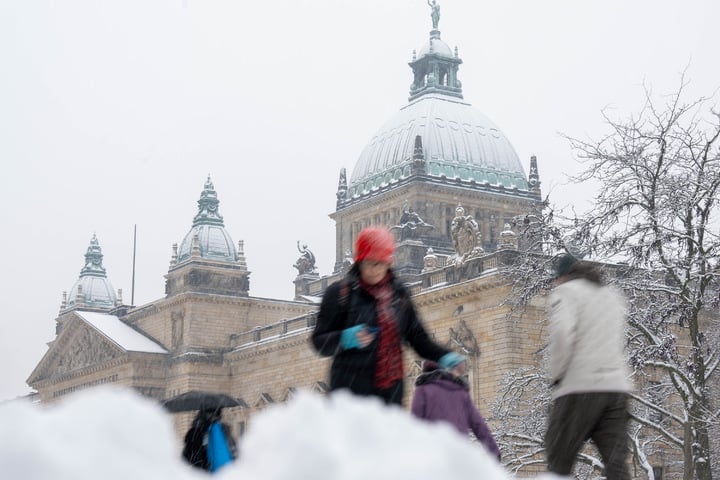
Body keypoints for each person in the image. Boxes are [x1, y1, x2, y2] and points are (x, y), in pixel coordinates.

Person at [311, 226, 465, 405]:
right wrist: (346, 338)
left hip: (390, 396)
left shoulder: (399, 295)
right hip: (349, 398)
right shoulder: (340, 293)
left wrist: (445, 356)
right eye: (370, 262)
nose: (375, 269)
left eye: (380, 262)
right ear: (359, 262)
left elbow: (418, 338)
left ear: (388, 262)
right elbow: (318, 341)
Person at [544, 254, 633, 479]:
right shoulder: (613, 296)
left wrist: (557, 375)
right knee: (617, 464)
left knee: (559, 460)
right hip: (616, 390)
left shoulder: (566, 292)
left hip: (579, 386)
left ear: (563, 276)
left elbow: (563, 334)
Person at [411, 359, 501, 461]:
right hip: (459, 451)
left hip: (433, 452)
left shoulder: (422, 390)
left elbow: (415, 423)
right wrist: (494, 451)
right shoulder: (461, 393)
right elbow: (478, 424)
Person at [182, 408, 238, 472]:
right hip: (215, 470)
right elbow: (233, 452)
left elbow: (186, 455)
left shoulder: (194, 432)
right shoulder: (220, 430)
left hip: (196, 470)